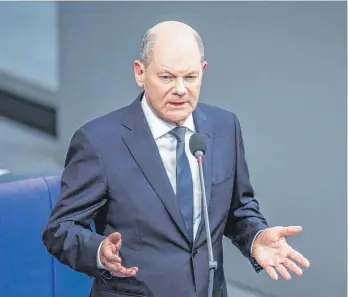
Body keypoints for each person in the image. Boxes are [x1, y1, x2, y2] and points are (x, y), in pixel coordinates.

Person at [42, 21, 310, 297]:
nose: (181, 89)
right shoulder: (99, 142)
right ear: (140, 73)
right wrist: (98, 252)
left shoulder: (224, 127)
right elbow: (60, 230)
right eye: (168, 77)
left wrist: (255, 237)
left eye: (190, 77)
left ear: (203, 71)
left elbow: (238, 208)